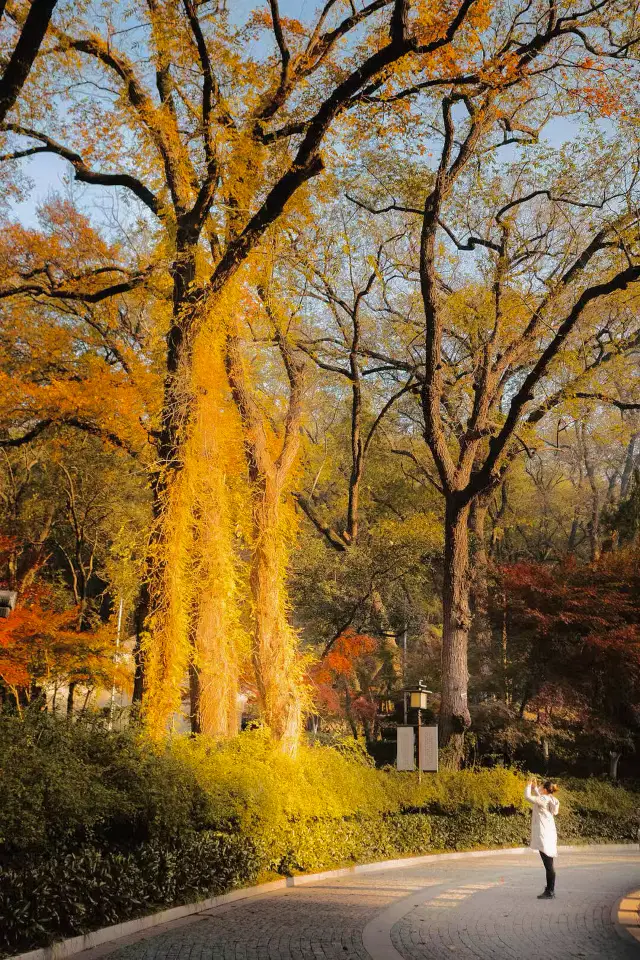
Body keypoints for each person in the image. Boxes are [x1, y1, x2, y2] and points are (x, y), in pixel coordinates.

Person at [525, 779, 560, 899]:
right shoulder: (550, 798)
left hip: (544, 835)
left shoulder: (544, 799)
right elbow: (540, 798)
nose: (539, 788)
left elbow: (528, 797)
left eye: (540, 787)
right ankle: (550, 889)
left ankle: (550, 891)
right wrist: (535, 788)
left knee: (548, 865)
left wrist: (528, 786)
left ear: (545, 789)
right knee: (549, 864)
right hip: (549, 833)